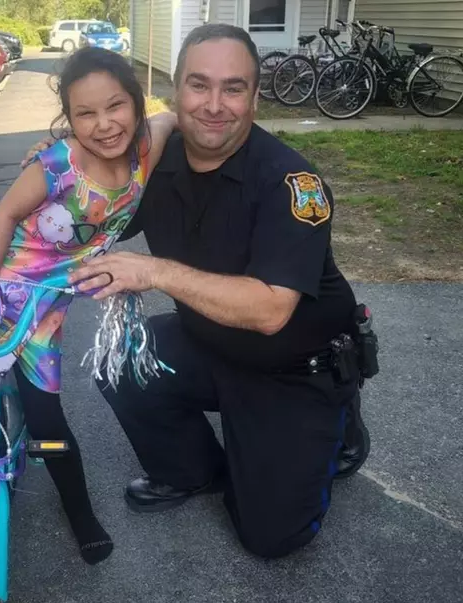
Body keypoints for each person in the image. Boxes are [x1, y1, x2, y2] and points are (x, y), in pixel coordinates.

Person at [65, 24, 373, 559]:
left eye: (233, 88)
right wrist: (51, 175)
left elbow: (271, 311)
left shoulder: (292, 183)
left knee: (272, 538)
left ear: (256, 97)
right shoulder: (156, 160)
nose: (213, 105)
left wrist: (154, 272)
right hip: (208, 341)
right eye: (198, 85)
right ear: (175, 91)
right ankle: (192, 471)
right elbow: (85, 205)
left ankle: (340, 419)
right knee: (118, 358)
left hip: (294, 370)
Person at [0, 46, 178, 566]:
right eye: (85, 113)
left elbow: (170, 115)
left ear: (134, 104)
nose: (104, 124)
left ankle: (79, 510)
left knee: (47, 417)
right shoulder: (55, 166)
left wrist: (174, 113)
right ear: (68, 118)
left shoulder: (145, 149)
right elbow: (1, 219)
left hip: (43, 306)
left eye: (116, 107)